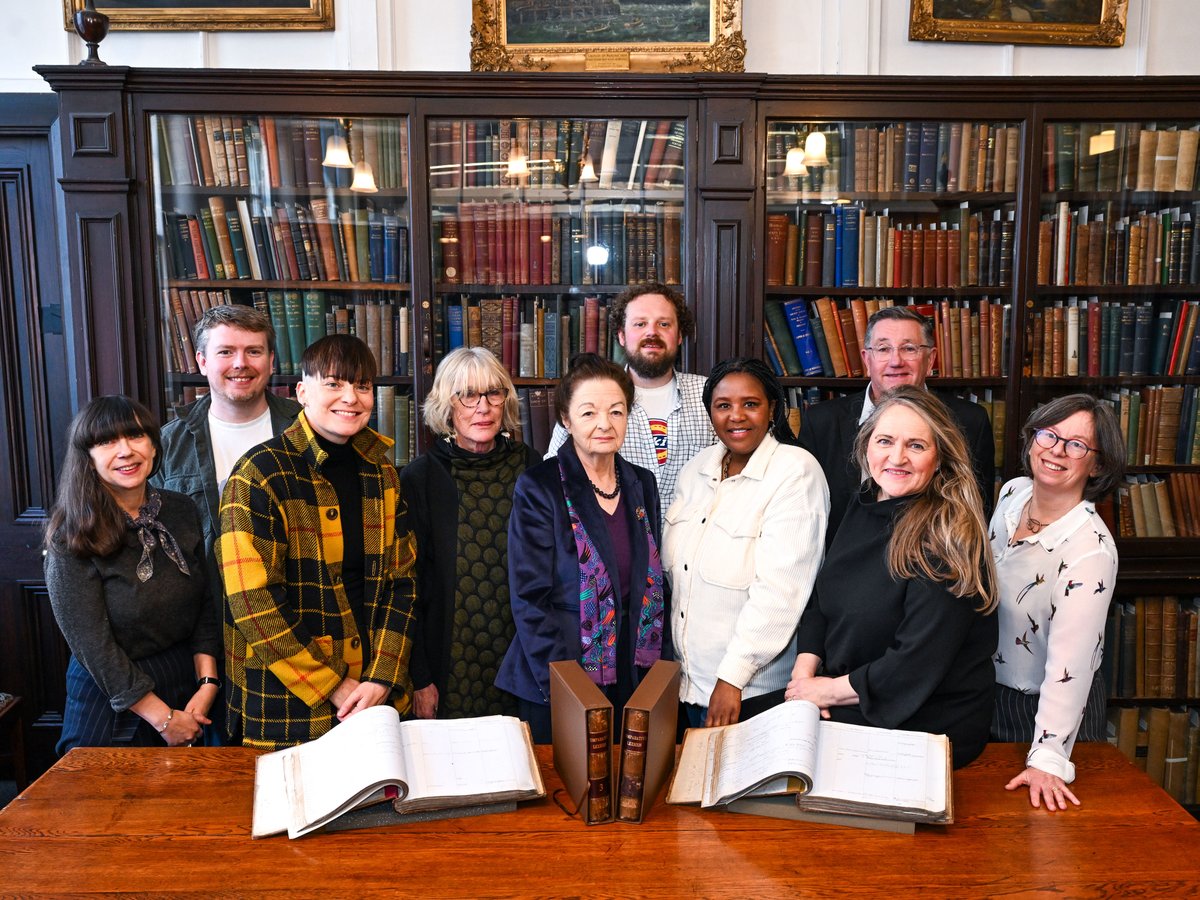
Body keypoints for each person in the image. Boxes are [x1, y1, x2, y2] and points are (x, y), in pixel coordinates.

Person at [218, 334, 417, 750]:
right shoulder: (259, 473)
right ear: (302, 392)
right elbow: (253, 602)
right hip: (288, 707)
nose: (351, 397)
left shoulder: (382, 473)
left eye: (362, 386)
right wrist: (334, 684)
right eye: (334, 383)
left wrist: (382, 676)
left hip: (376, 697)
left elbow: (403, 582)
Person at [787, 386, 998, 769]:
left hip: (924, 715)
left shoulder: (947, 537)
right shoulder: (864, 502)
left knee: (767, 741)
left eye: (916, 446)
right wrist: (803, 679)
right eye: (885, 441)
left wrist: (826, 692)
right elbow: (823, 597)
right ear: (866, 445)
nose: (897, 457)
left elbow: (913, 664)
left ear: (941, 458)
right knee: (750, 730)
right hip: (849, 688)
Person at [498, 353, 668, 742]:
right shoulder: (539, 486)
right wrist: (570, 689)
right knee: (563, 797)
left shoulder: (642, 483)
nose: (605, 424)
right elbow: (529, 599)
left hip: (632, 673)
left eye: (617, 411)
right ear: (565, 418)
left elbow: (654, 582)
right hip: (560, 674)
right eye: (589, 413)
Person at [152, 303, 300, 743]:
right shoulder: (169, 442)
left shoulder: (304, 429)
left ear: (271, 360)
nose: (241, 364)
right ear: (200, 361)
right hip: (203, 634)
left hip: (294, 624)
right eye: (226, 352)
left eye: (254, 351)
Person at [44, 395, 218, 753]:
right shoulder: (71, 534)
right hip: (110, 690)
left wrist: (208, 684)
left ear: (154, 446)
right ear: (88, 458)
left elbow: (203, 603)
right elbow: (94, 646)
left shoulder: (181, 510)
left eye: (136, 436)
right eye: (107, 441)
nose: (126, 451)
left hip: (184, 678)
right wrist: (163, 719)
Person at [663, 358, 828, 728]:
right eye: (723, 406)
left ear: (772, 409)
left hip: (748, 693)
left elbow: (781, 592)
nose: (736, 416)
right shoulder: (696, 469)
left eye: (750, 404)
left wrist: (732, 677)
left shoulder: (795, 472)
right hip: (688, 684)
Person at [989, 394, 1123, 810]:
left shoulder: (1090, 550)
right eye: (1049, 435)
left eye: (1077, 445)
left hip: (1044, 710)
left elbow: (1072, 664)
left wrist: (1049, 758)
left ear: (1097, 464)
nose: (1057, 450)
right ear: (1033, 440)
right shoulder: (1012, 494)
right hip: (986, 691)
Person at [400, 347, 540, 720]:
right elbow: (409, 588)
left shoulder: (533, 468)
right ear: (448, 405)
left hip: (523, 661)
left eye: (494, 393)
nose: (483, 407)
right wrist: (420, 678)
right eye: (468, 394)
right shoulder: (420, 478)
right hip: (449, 666)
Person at [798, 305, 995, 547]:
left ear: (930, 358)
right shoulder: (821, 422)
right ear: (867, 359)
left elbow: (976, 515)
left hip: (930, 567)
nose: (895, 361)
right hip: (840, 567)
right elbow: (805, 516)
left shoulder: (970, 422)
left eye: (909, 349)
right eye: (883, 349)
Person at [547, 283, 715, 521]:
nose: (651, 333)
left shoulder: (710, 396)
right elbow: (554, 475)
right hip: (614, 547)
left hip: (695, 552)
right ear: (622, 336)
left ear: (679, 336)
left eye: (663, 324)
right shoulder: (589, 397)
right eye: (640, 323)